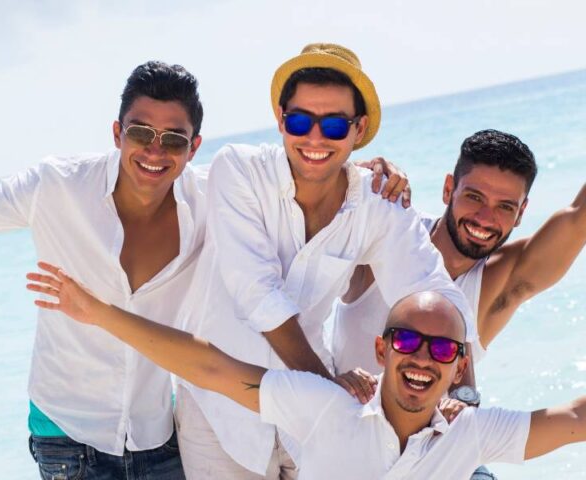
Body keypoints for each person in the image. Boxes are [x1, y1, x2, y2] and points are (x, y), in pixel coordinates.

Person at [0, 61, 207, 479]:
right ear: (117, 134)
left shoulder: (210, 205)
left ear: (194, 148)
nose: (154, 151)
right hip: (68, 439)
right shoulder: (57, 186)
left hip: (159, 436)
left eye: (173, 139)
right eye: (140, 133)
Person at [173, 42, 477, 479]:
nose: (315, 139)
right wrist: (323, 388)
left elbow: (431, 291)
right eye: (300, 120)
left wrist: (460, 394)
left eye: (334, 125)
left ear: (359, 128)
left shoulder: (379, 200)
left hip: (311, 415)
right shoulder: (238, 170)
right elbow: (256, 291)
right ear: (281, 120)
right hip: (219, 408)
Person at [26, 265, 586, 480]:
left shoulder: (472, 432)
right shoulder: (327, 407)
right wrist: (97, 313)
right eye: (409, 341)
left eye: (441, 350)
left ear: (461, 364)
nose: (422, 358)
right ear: (382, 348)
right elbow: (211, 368)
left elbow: (574, 417)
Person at [332, 130, 586, 404]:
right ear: (448, 189)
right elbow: (312, 203)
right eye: (474, 197)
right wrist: (355, 173)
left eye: (505, 207)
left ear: (521, 213)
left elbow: (578, 218)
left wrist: (466, 403)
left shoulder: (497, 284)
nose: (485, 219)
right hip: (324, 434)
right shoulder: (390, 234)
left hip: (423, 446)